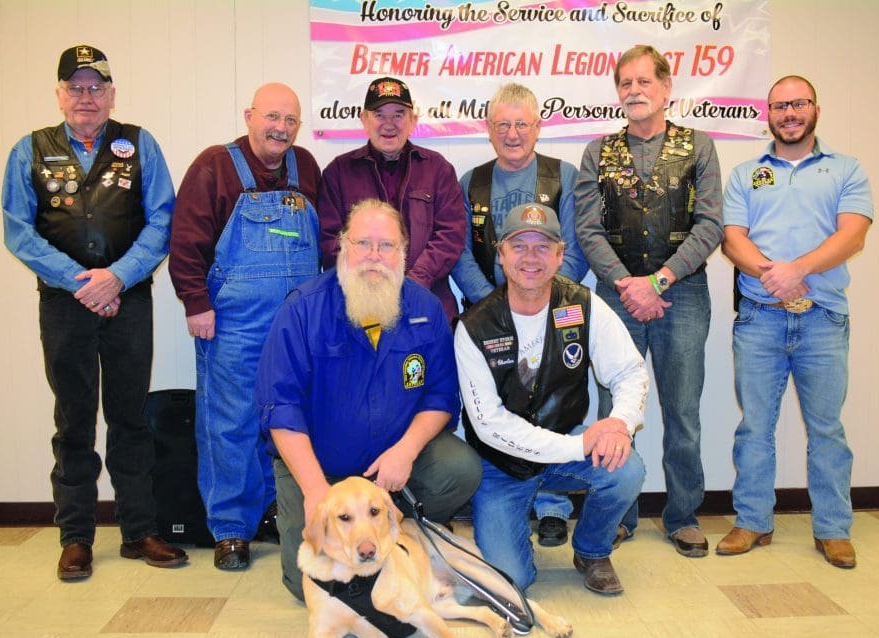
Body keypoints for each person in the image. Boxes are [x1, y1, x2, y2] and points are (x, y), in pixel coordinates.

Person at [2, 45, 187, 579]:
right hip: (64, 305)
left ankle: (139, 532)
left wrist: (117, 277)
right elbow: (19, 229)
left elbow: (161, 220)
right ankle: (76, 535)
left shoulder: (139, 144)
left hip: (127, 302)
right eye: (76, 87)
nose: (86, 96)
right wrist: (80, 282)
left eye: (96, 87)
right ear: (60, 94)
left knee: (130, 419)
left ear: (111, 95)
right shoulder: (30, 150)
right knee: (74, 420)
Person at [256, 199, 481, 601]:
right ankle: (371, 537)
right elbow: (279, 407)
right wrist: (314, 493)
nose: (374, 257)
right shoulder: (303, 309)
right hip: (319, 471)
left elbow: (442, 395)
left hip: (390, 473)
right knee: (306, 584)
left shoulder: (426, 310)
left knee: (460, 468)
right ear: (342, 246)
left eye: (387, 246)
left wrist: (406, 451)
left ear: (403, 253)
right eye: (363, 244)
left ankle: (396, 532)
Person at [574, 45, 723, 557]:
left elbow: (710, 226)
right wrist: (627, 285)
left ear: (666, 89)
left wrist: (656, 282)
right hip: (616, 299)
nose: (633, 91)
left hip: (683, 294)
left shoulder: (698, 147)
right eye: (625, 83)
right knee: (613, 412)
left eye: (643, 82)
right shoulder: (597, 152)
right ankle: (617, 514)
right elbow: (587, 231)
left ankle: (682, 516)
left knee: (682, 410)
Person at [718, 76, 872, 568]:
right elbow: (732, 240)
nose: (789, 113)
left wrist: (799, 270)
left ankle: (833, 529)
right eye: (779, 106)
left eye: (798, 104)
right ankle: (752, 522)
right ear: (768, 113)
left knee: (827, 428)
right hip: (760, 318)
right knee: (755, 427)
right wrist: (774, 275)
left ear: (815, 110)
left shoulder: (846, 170)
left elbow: (853, 235)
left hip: (823, 319)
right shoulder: (745, 174)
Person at [456, 203, 648, 595]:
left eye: (543, 247)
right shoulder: (474, 327)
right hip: (502, 464)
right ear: (501, 254)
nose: (531, 257)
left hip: (565, 439)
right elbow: (489, 425)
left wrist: (619, 423)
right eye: (519, 245)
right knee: (512, 581)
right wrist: (578, 444)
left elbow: (630, 371)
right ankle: (507, 533)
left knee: (626, 468)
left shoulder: (583, 305)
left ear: (560, 255)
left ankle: (592, 551)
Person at [169, 83, 321, 570]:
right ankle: (231, 527)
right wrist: (196, 303)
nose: (280, 128)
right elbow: (186, 241)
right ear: (250, 116)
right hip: (233, 321)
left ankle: (274, 511)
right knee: (229, 422)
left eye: (290, 120)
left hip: (296, 323)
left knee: (285, 419)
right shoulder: (214, 165)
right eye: (272, 117)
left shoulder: (307, 168)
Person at [452, 82, 590, 548]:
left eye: (521, 124)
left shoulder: (564, 175)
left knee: (556, 398)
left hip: (553, 312)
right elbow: (459, 252)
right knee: (496, 408)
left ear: (538, 127)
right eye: (502, 125)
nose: (512, 134)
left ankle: (553, 506)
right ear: (489, 129)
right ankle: (498, 498)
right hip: (490, 316)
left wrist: (540, 297)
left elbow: (574, 246)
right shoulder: (471, 181)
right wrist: (496, 306)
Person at [318, 76, 467, 322]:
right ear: (364, 120)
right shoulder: (338, 173)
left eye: (398, 114)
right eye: (379, 115)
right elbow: (330, 242)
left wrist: (414, 280)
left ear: (413, 120)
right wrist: (375, 279)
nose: (389, 124)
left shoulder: (438, 169)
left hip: (427, 303)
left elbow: (451, 235)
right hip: (360, 308)